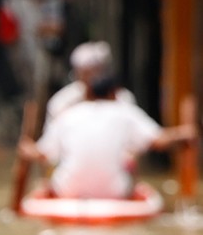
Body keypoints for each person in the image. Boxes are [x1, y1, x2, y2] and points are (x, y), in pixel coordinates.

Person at [20, 77, 196, 199]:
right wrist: (184, 133)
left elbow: (42, 154)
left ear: (88, 93)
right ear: (114, 94)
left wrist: (26, 148)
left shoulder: (68, 115)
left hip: (68, 190)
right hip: (115, 192)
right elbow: (158, 141)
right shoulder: (125, 112)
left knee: (49, 176)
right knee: (131, 161)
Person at [47, 41, 136, 123]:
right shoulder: (62, 101)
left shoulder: (123, 97)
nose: (95, 79)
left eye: (99, 72)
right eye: (87, 74)